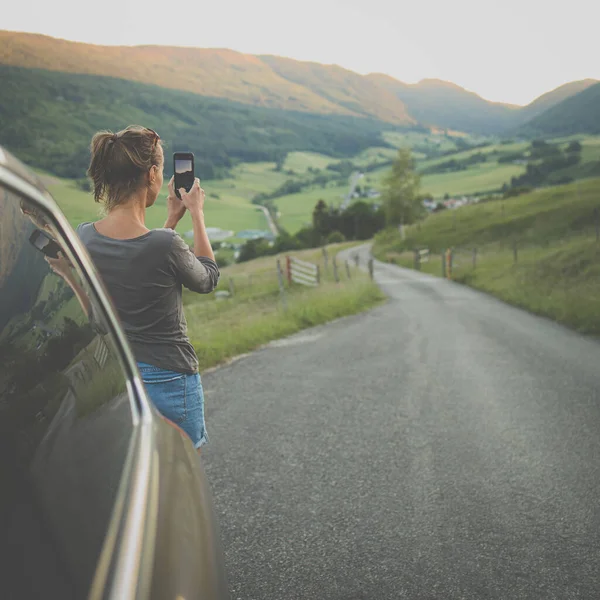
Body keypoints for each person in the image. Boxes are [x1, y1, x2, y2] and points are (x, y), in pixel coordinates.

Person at [77, 125, 219, 451]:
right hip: (168, 378)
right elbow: (207, 279)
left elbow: (138, 258)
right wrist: (196, 214)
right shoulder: (165, 244)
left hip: (118, 377)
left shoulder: (84, 235)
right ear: (152, 174)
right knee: (179, 473)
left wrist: (170, 221)